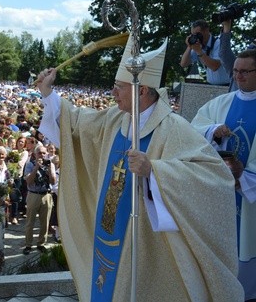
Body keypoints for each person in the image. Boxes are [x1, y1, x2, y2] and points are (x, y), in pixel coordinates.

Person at [36, 34, 243, 301]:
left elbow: (215, 177)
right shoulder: (116, 118)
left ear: (141, 90)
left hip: (145, 242)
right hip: (108, 232)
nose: (112, 93)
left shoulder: (173, 129)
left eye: (118, 87)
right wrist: (48, 93)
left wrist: (155, 171)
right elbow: (74, 125)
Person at [191, 48, 256, 301]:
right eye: (235, 71)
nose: (238, 76)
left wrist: (244, 176)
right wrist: (213, 131)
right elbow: (194, 128)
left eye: (245, 71)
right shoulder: (222, 103)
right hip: (221, 195)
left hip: (249, 198)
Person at [22, 145, 55, 255]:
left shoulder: (50, 164)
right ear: (35, 154)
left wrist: (50, 169)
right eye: (39, 153)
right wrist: (36, 168)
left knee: (45, 222)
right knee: (30, 222)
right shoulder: (29, 165)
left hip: (46, 195)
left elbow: (53, 181)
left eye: (44, 153)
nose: (42, 155)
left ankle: (41, 243)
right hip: (33, 195)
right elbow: (28, 181)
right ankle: (28, 244)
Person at [180, 19, 230, 85]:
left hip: (226, 85)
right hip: (210, 84)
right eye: (193, 35)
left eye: (198, 34)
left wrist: (199, 52)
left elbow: (215, 66)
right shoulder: (198, 46)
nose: (196, 37)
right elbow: (183, 64)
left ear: (206, 30)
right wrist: (189, 46)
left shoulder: (219, 43)